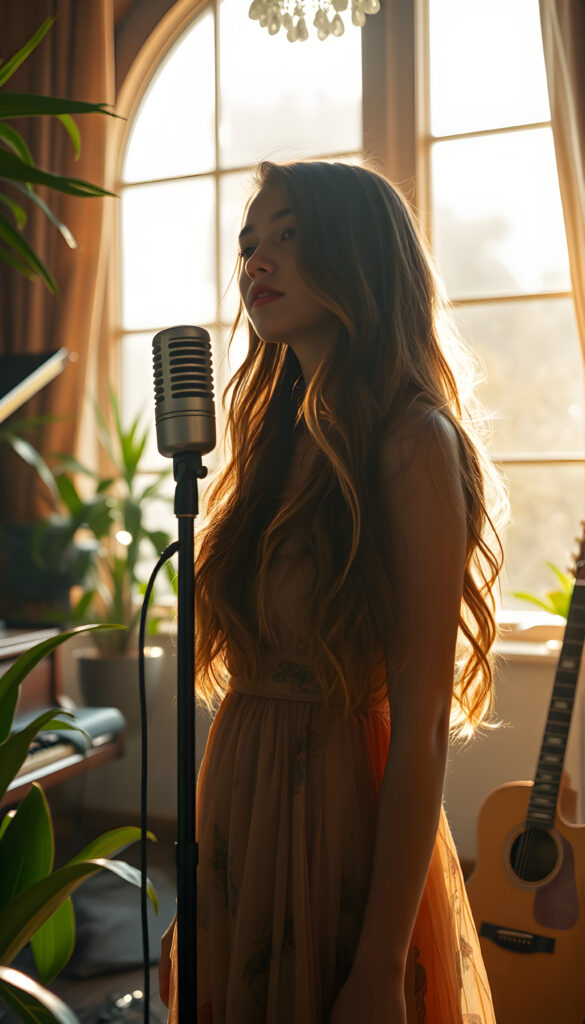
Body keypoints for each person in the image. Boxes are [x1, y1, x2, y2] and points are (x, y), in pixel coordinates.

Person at [158, 159, 507, 1023]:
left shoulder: (412, 441)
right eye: (250, 243)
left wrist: (380, 964)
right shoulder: (271, 444)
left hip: (333, 815)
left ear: (359, 254)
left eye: (288, 235)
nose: (257, 260)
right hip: (239, 805)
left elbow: (423, 719)